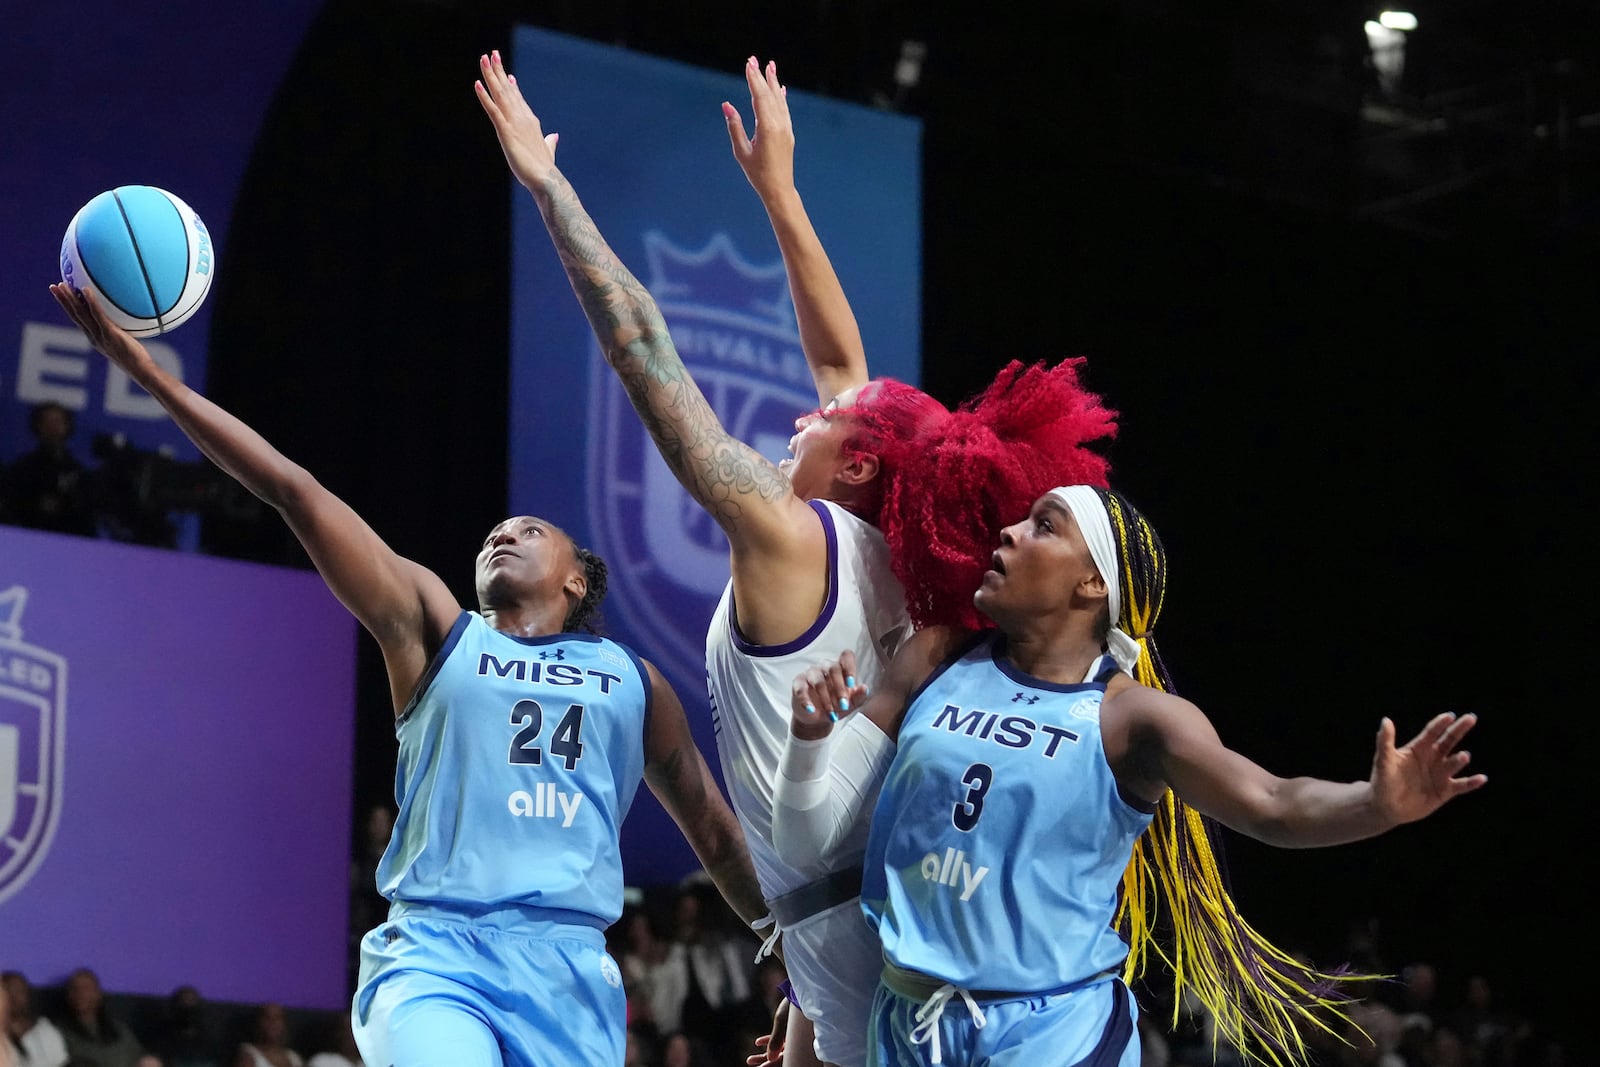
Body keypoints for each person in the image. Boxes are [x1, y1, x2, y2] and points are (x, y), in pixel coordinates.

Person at [475, 49, 1119, 1067]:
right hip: (854, 927)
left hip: (858, 947)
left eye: (824, 419)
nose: (801, 409)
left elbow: (645, 353)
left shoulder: (791, 536)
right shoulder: (886, 549)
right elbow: (842, 367)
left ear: (861, 459)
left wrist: (550, 190)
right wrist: (779, 190)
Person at [46, 283, 768, 1067]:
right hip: (437, 952)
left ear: (575, 582)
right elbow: (297, 492)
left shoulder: (634, 680)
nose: (505, 533)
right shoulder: (435, 628)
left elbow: (711, 824)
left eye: (531, 530)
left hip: (569, 969)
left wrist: (784, 939)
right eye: (496, 529)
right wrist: (157, 381)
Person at [769, 486, 1487, 1066]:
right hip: (906, 1021)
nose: (1011, 532)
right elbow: (811, 838)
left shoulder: (1131, 716)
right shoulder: (935, 659)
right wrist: (807, 741)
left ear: (1092, 582)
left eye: (1043, 525)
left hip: (1047, 1033)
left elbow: (1272, 801)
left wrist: (1375, 804)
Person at [0, 401, 98, 536]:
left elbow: (87, 517)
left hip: (69, 543)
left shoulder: (78, 472)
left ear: (67, 426)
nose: (53, 428)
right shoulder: (21, 469)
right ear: (37, 426)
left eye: (58, 422)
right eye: (47, 422)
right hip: (26, 538)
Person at [52, 968, 155, 1067]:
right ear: (68, 996)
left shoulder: (119, 1030)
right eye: (75, 989)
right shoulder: (57, 1033)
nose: (81, 994)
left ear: (99, 994)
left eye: (86, 988)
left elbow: (142, 1059)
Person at [1, 972, 69, 1067]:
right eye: (8, 990)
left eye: (19, 991)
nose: (13, 997)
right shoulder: (3, 1039)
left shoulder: (45, 1029)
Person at [232, 1003, 303, 1067]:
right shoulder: (249, 1053)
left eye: (277, 1018)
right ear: (259, 1022)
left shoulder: (294, 1058)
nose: (272, 1022)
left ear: (284, 1023)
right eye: (267, 1017)